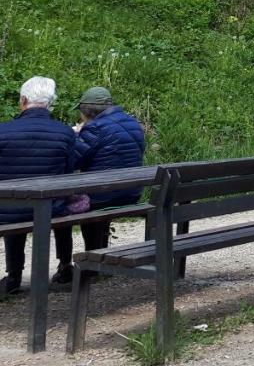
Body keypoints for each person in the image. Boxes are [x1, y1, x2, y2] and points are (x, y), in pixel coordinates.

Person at [49, 87, 146, 288]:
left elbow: (73, 161)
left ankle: (67, 266)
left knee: (60, 208)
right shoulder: (132, 123)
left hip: (104, 195)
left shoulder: (94, 129)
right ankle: (100, 259)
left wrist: (76, 135)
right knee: (94, 201)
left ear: (88, 112)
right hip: (131, 192)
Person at [0, 77, 76, 297]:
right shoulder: (65, 133)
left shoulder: (3, 131)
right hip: (53, 208)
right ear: (50, 103)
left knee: (13, 204)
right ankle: (64, 265)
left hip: (10, 210)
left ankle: (14, 276)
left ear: (23, 100)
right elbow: (68, 173)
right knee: (60, 202)